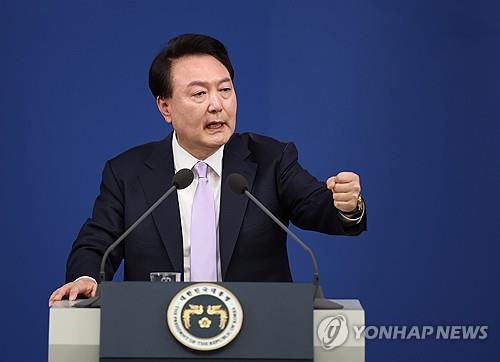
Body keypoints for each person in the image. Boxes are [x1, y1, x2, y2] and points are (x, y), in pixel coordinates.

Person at [49, 33, 367, 306]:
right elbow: (97, 241)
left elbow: (316, 205)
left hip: (260, 335)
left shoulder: (270, 159)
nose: (217, 105)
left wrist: (345, 204)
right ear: (165, 107)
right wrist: (85, 277)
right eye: (200, 93)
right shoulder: (127, 172)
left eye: (225, 90)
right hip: (153, 335)